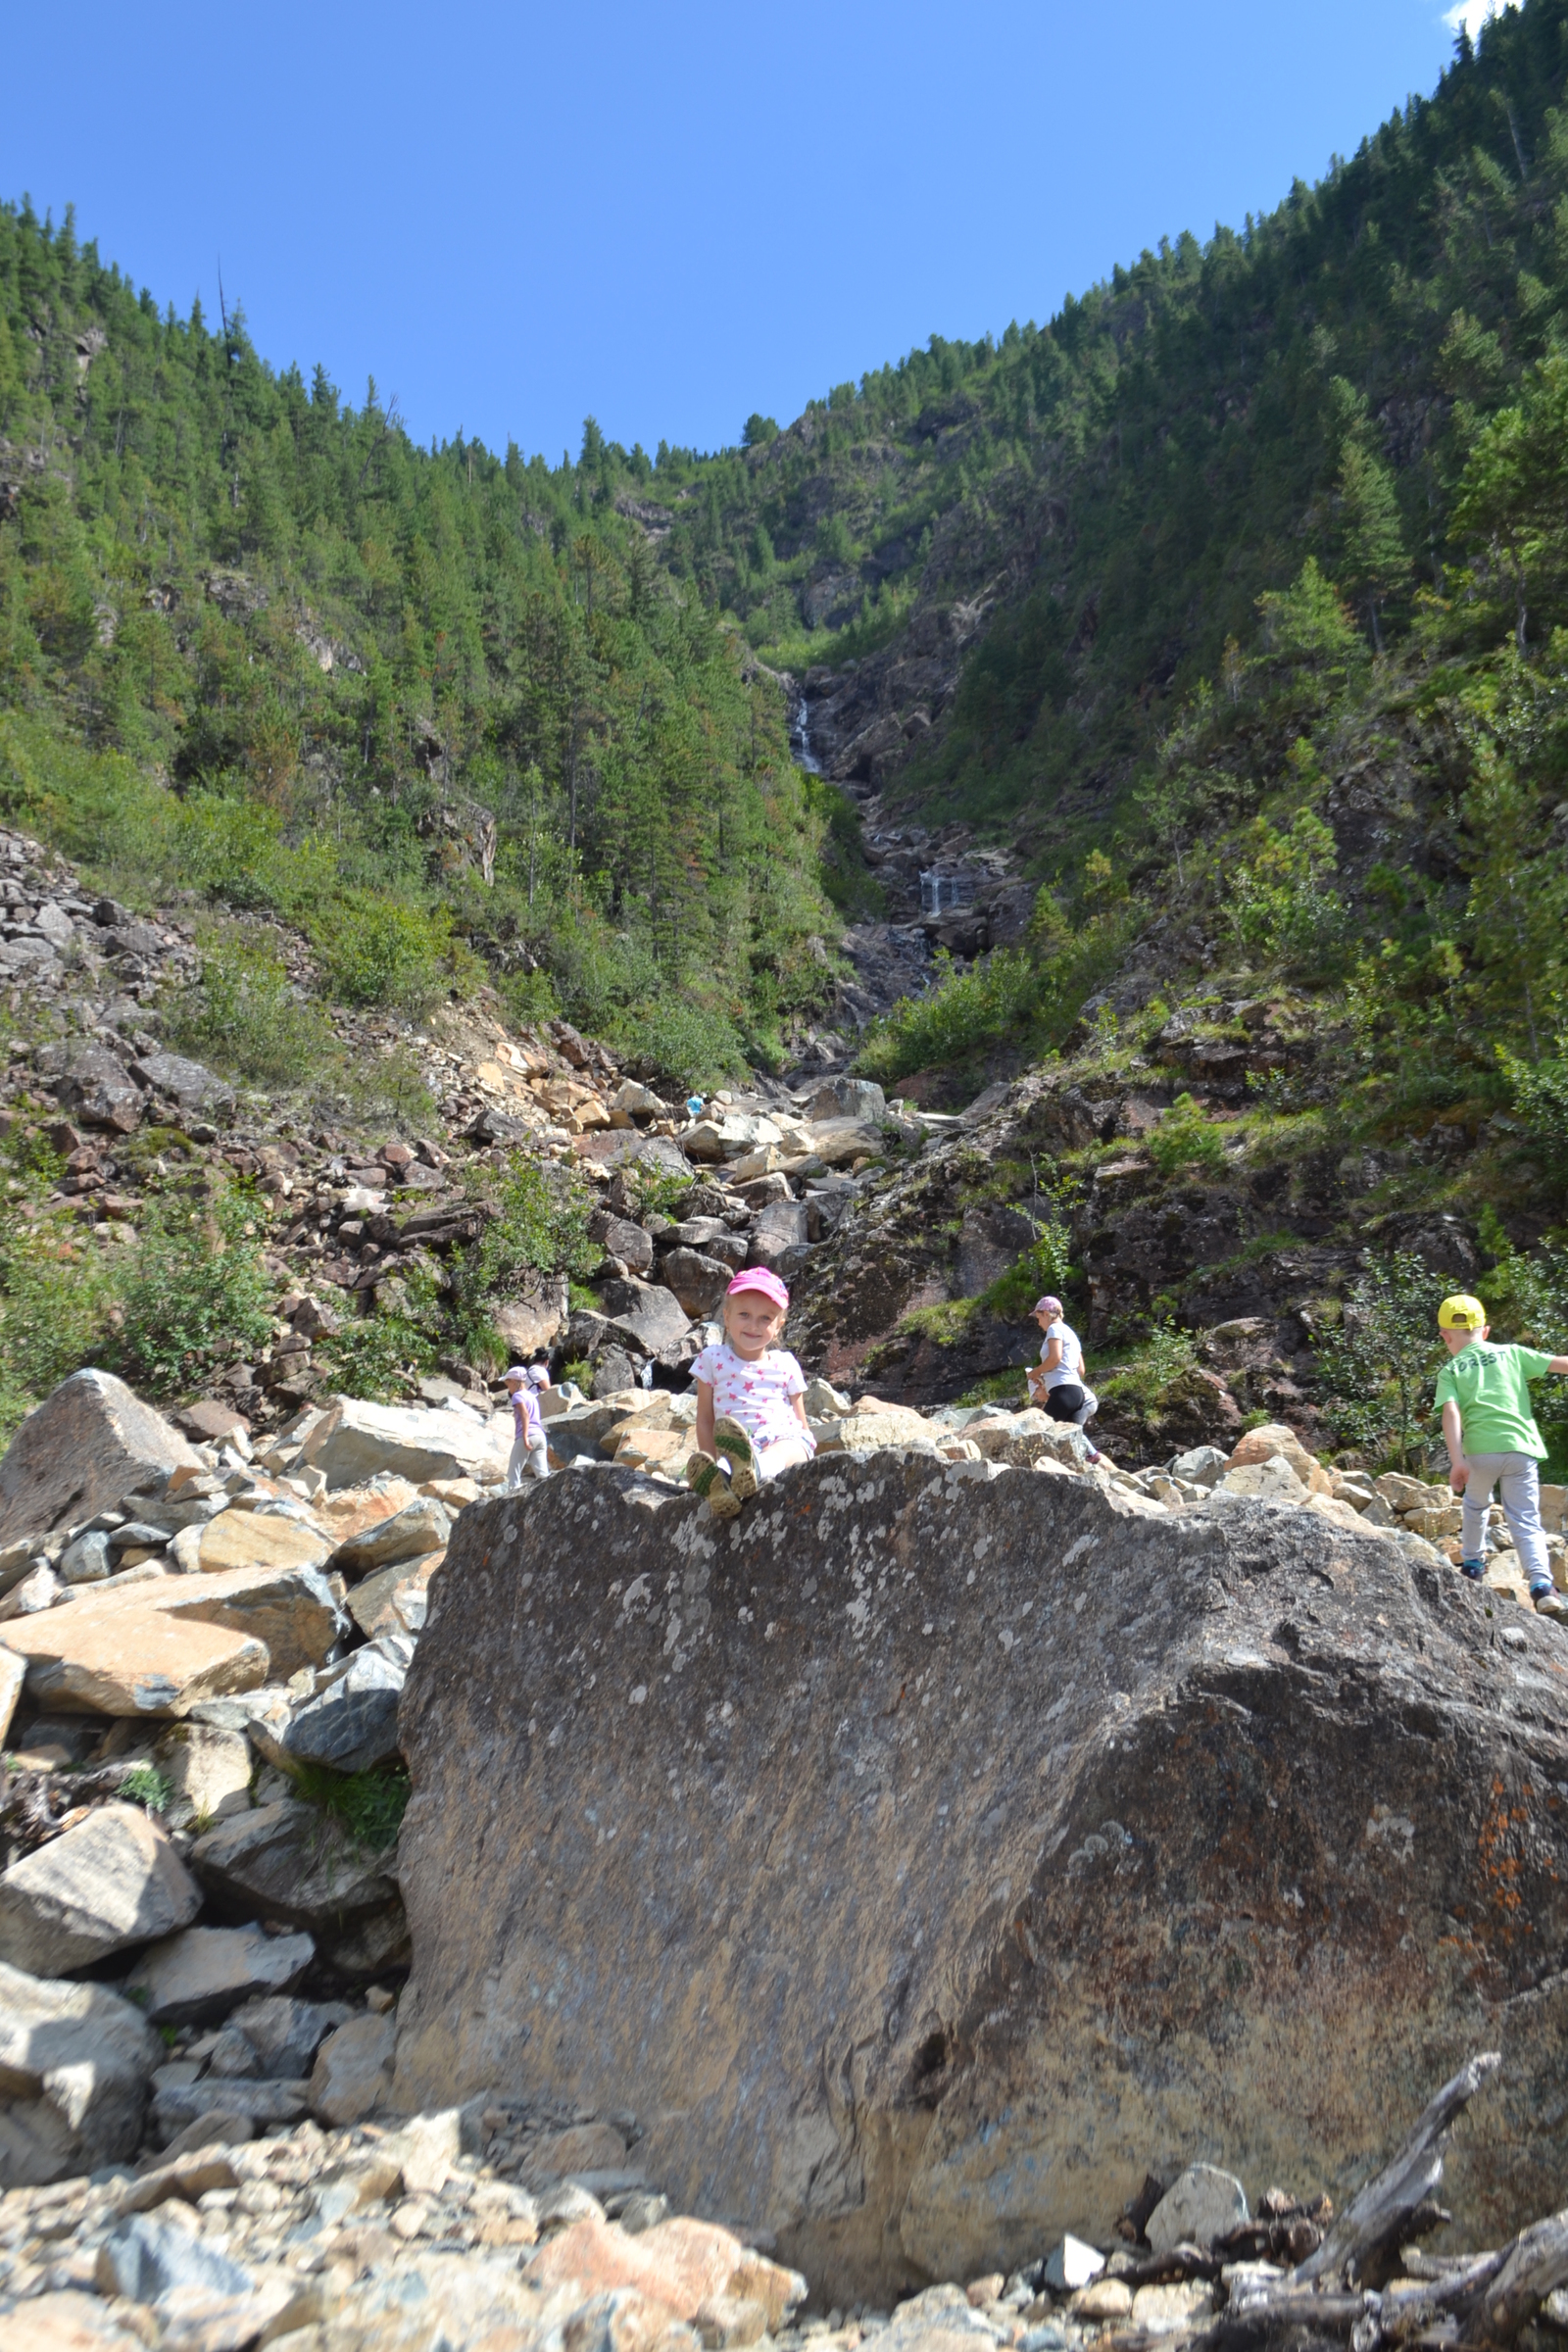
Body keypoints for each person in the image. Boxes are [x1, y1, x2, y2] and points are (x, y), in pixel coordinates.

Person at [1435, 1294, 1568, 1616]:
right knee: (1525, 1518)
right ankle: (1542, 1586)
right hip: (1521, 1450)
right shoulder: (1512, 1353)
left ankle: (1472, 1567)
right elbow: (1560, 1364)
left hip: (1480, 1453)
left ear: (1445, 1336)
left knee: (1476, 1505)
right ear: (1486, 1330)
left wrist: (1458, 1460)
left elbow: (1450, 1413)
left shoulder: (1450, 1370)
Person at [685, 1269, 814, 1519]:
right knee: (727, 1466)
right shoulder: (712, 1359)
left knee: (785, 1449)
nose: (754, 1325)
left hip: (784, 1440)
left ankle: (755, 1469)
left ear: (779, 1326)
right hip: (737, 1446)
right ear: (726, 1316)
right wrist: (710, 1460)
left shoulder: (785, 1363)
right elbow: (705, 1419)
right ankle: (721, 1486)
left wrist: (811, 1459)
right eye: (744, 1314)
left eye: (765, 1318)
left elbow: (802, 1424)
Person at [1026, 1294, 1102, 1463]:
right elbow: (1081, 1370)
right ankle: (1093, 1462)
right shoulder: (1072, 1334)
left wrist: (1036, 1372)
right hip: (1076, 1393)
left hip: (1064, 1392)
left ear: (1046, 1314)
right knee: (1072, 1442)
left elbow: (1055, 1358)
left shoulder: (1054, 1329)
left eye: (1038, 1317)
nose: (1038, 1323)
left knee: (1042, 1431)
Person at [503, 1363, 550, 1489]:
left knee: (513, 1473)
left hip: (527, 1436)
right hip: (540, 1436)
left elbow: (525, 1414)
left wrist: (524, 1436)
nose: (509, 1389)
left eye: (508, 1384)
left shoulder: (517, 1396)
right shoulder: (532, 1396)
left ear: (514, 1382)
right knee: (543, 1474)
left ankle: (511, 1502)